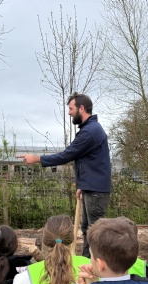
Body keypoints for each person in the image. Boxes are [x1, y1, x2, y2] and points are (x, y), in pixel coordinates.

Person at [16, 92, 111, 258]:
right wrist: (83, 185)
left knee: (95, 233)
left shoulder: (90, 132)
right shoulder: (91, 129)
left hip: (96, 191)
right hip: (91, 187)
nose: (69, 113)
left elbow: (67, 155)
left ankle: (96, 265)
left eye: (71, 109)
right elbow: (89, 162)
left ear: (82, 108)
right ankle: (88, 262)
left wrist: (37, 159)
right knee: (87, 229)